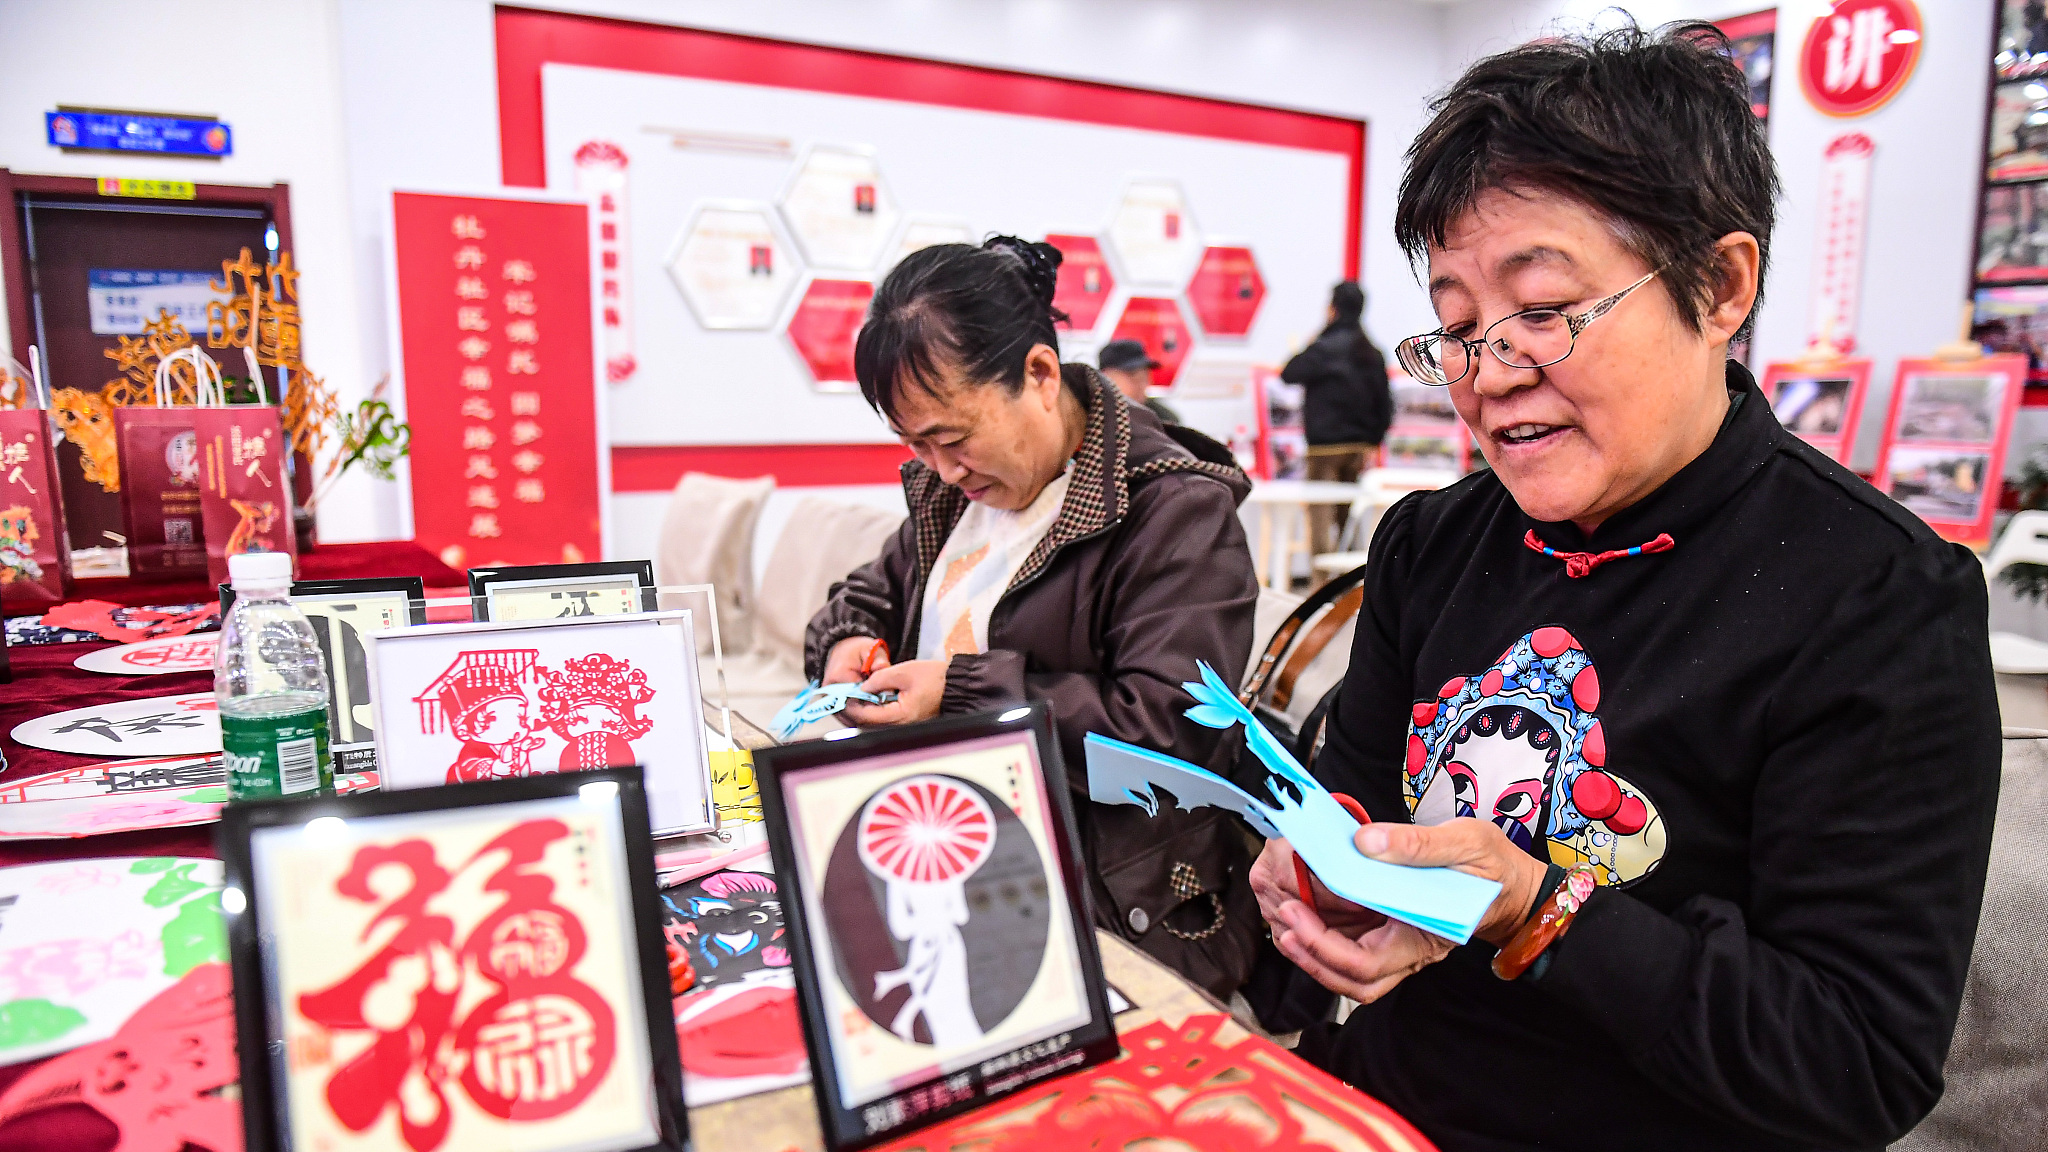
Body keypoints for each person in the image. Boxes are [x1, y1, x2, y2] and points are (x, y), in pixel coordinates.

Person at [1250, 24, 1999, 1151]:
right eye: (1455, 327)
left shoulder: (1877, 598)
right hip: (1385, 1100)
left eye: (1542, 311)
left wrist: (1536, 906)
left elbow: (1853, 1063)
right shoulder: (1431, 545)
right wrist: (1321, 884)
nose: (1488, 373)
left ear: (1718, 285)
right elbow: (1356, 812)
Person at [805, 236, 1263, 996]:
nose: (941, 467)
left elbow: (1170, 732)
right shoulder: (956, 495)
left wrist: (959, 694)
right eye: (915, 444)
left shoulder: (1173, 511)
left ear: (1041, 375)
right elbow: (868, 594)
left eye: (952, 437)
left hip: (1104, 903)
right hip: (941, 859)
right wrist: (850, 641)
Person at [1281, 281, 1391, 557]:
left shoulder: (1323, 348)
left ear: (1333, 309)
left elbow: (1289, 372)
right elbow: (1386, 402)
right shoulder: (1371, 351)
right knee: (1349, 520)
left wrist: (1317, 335)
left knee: (1320, 518)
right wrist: (1375, 439)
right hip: (1358, 448)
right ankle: (1351, 585)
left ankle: (1320, 584)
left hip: (1323, 449)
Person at [1098, 338, 1181, 424]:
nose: (1141, 384)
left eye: (1145, 376)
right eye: (1132, 375)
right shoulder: (1089, 416)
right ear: (1106, 376)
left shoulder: (1163, 419)